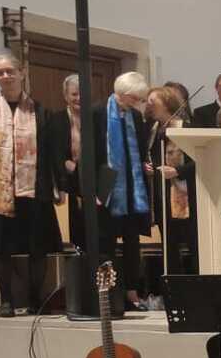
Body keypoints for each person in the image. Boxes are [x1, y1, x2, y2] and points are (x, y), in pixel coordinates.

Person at [0, 53, 61, 316]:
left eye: (10, 70)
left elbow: (49, 152)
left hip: (34, 187)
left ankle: (35, 299)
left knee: (38, 247)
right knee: (1, 247)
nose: (6, 76)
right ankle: (7, 300)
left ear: (22, 72)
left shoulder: (40, 111)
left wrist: (57, 186)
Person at [96, 71, 154, 309]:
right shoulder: (97, 113)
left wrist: (144, 164)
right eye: (135, 98)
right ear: (122, 94)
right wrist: (95, 190)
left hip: (132, 187)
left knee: (132, 241)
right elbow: (90, 154)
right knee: (106, 242)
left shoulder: (135, 116)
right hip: (107, 188)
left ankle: (132, 290)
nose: (138, 103)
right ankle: (108, 293)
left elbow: (140, 149)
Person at [146, 85, 197, 280]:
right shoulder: (153, 129)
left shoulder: (186, 129)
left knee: (194, 245)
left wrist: (177, 171)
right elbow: (153, 157)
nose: (149, 105)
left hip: (186, 196)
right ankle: (173, 288)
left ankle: (198, 287)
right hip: (162, 196)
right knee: (169, 248)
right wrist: (149, 167)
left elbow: (201, 161)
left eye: (153, 101)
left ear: (167, 103)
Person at [42, 74, 87, 250]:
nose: (79, 98)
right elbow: (52, 152)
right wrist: (64, 165)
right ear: (66, 96)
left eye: (82, 93)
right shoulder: (55, 119)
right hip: (66, 184)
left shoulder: (95, 117)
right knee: (72, 233)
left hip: (91, 183)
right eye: (74, 94)